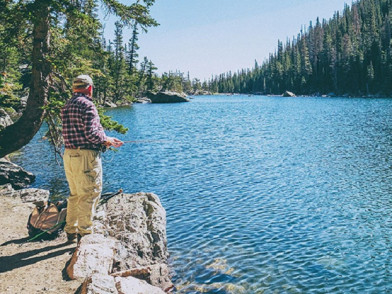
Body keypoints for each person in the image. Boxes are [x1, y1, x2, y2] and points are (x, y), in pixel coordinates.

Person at [61, 74, 123, 242]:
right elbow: (91, 133)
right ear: (89, 88)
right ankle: (86, 235)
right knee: (89, 194)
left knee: (75, 194)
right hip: (86, 157)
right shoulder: (87, 105)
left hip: (69, 154)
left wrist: (106, 138)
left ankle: (71, 231)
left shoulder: (67, 105)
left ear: (75, 88)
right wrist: (107, 140)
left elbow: (83, 132)